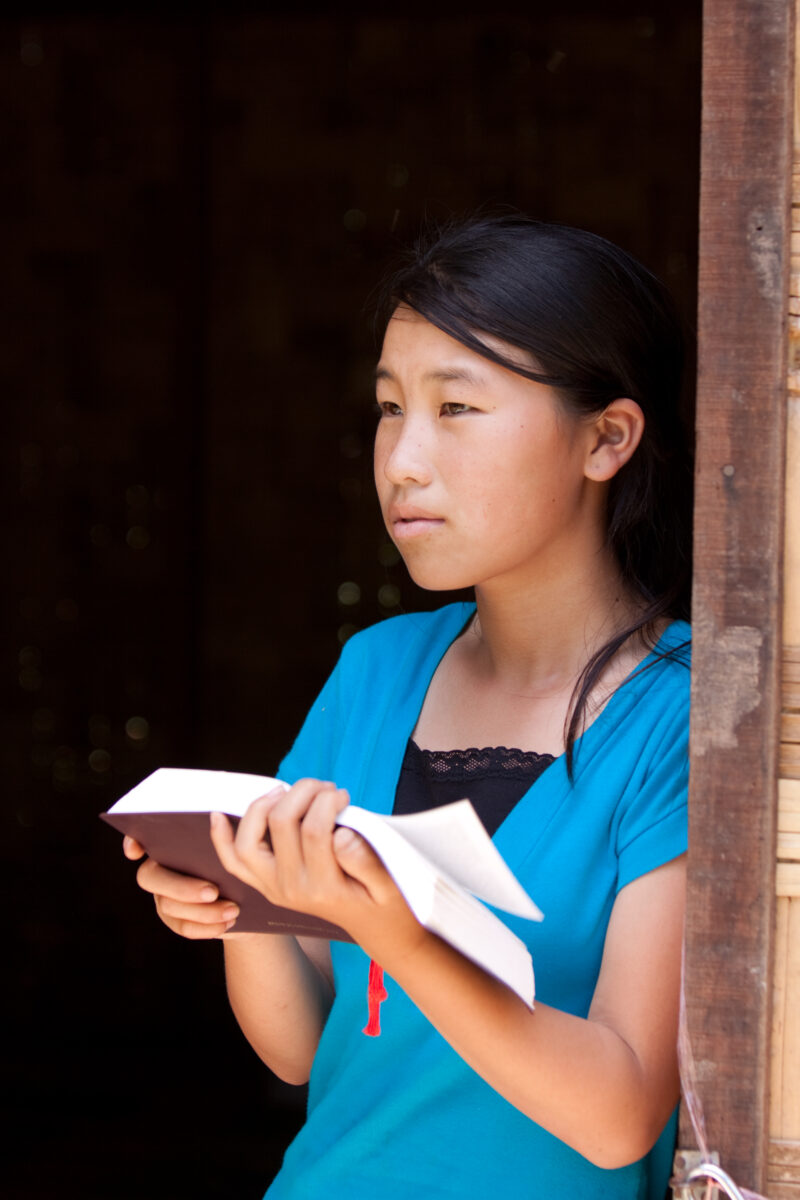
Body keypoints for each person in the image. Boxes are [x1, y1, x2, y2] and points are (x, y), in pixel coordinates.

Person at [124, 214, 692, 1199]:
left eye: (455, 407)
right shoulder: (377, 671)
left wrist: (399, 936)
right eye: (390, 408)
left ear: (606, 439)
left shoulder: (682, 717)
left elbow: (617, 1118)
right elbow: (301, 1047)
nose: (402, 460)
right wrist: (237, 907)